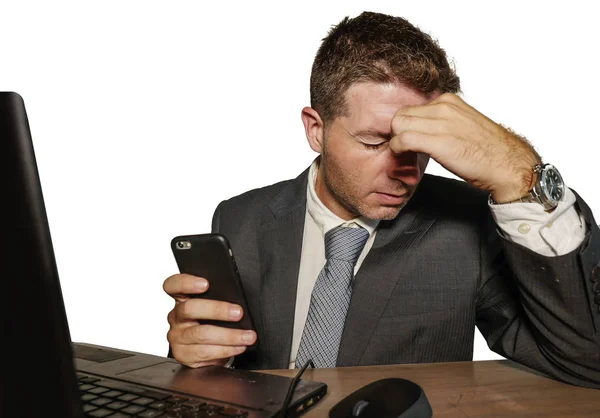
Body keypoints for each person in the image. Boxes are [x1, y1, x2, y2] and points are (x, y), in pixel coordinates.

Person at [163, 11, 600, 388]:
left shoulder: (466, 227)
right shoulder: (240, 218)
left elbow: (585, 362)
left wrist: (519, 174)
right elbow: (213, 373)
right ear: (316, 129)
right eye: (374, 142)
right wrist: (194, 357)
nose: (403, 171)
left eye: (420, 145)